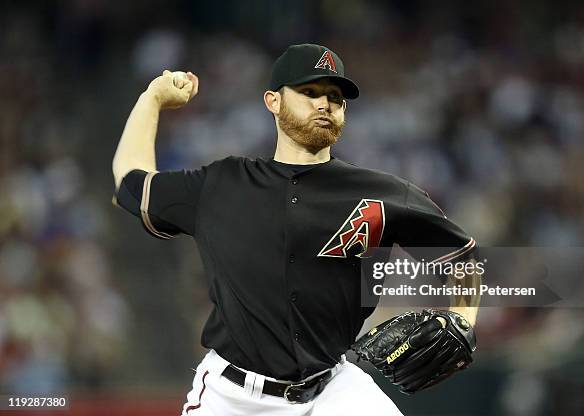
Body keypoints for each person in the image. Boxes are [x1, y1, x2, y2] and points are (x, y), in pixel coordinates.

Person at [112, 43, 479, 416]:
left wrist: (463, 321)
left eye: (334, 97)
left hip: (333, 388)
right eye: (309, 92)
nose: (324, 104)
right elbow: (130, 185)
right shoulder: (221, 185)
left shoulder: (381, 194)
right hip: (233, 398)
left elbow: (463, 255)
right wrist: (152, 99)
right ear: (273, 100)